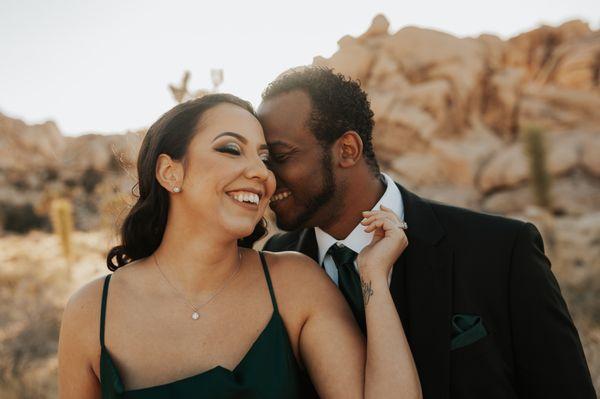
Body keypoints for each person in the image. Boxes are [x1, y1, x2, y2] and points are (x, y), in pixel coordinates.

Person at [258, 67, 596, 399]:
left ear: (347, 150)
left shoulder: (501, 251)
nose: (265, 176)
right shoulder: (271, 266)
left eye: (281, 156)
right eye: (261, 160)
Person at [57, 93, 422, 398]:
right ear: (171, 172)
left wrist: (372, 275)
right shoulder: (91, 313)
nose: (262, 173)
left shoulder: (295, 283)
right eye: (231, 149)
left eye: (264, 158)